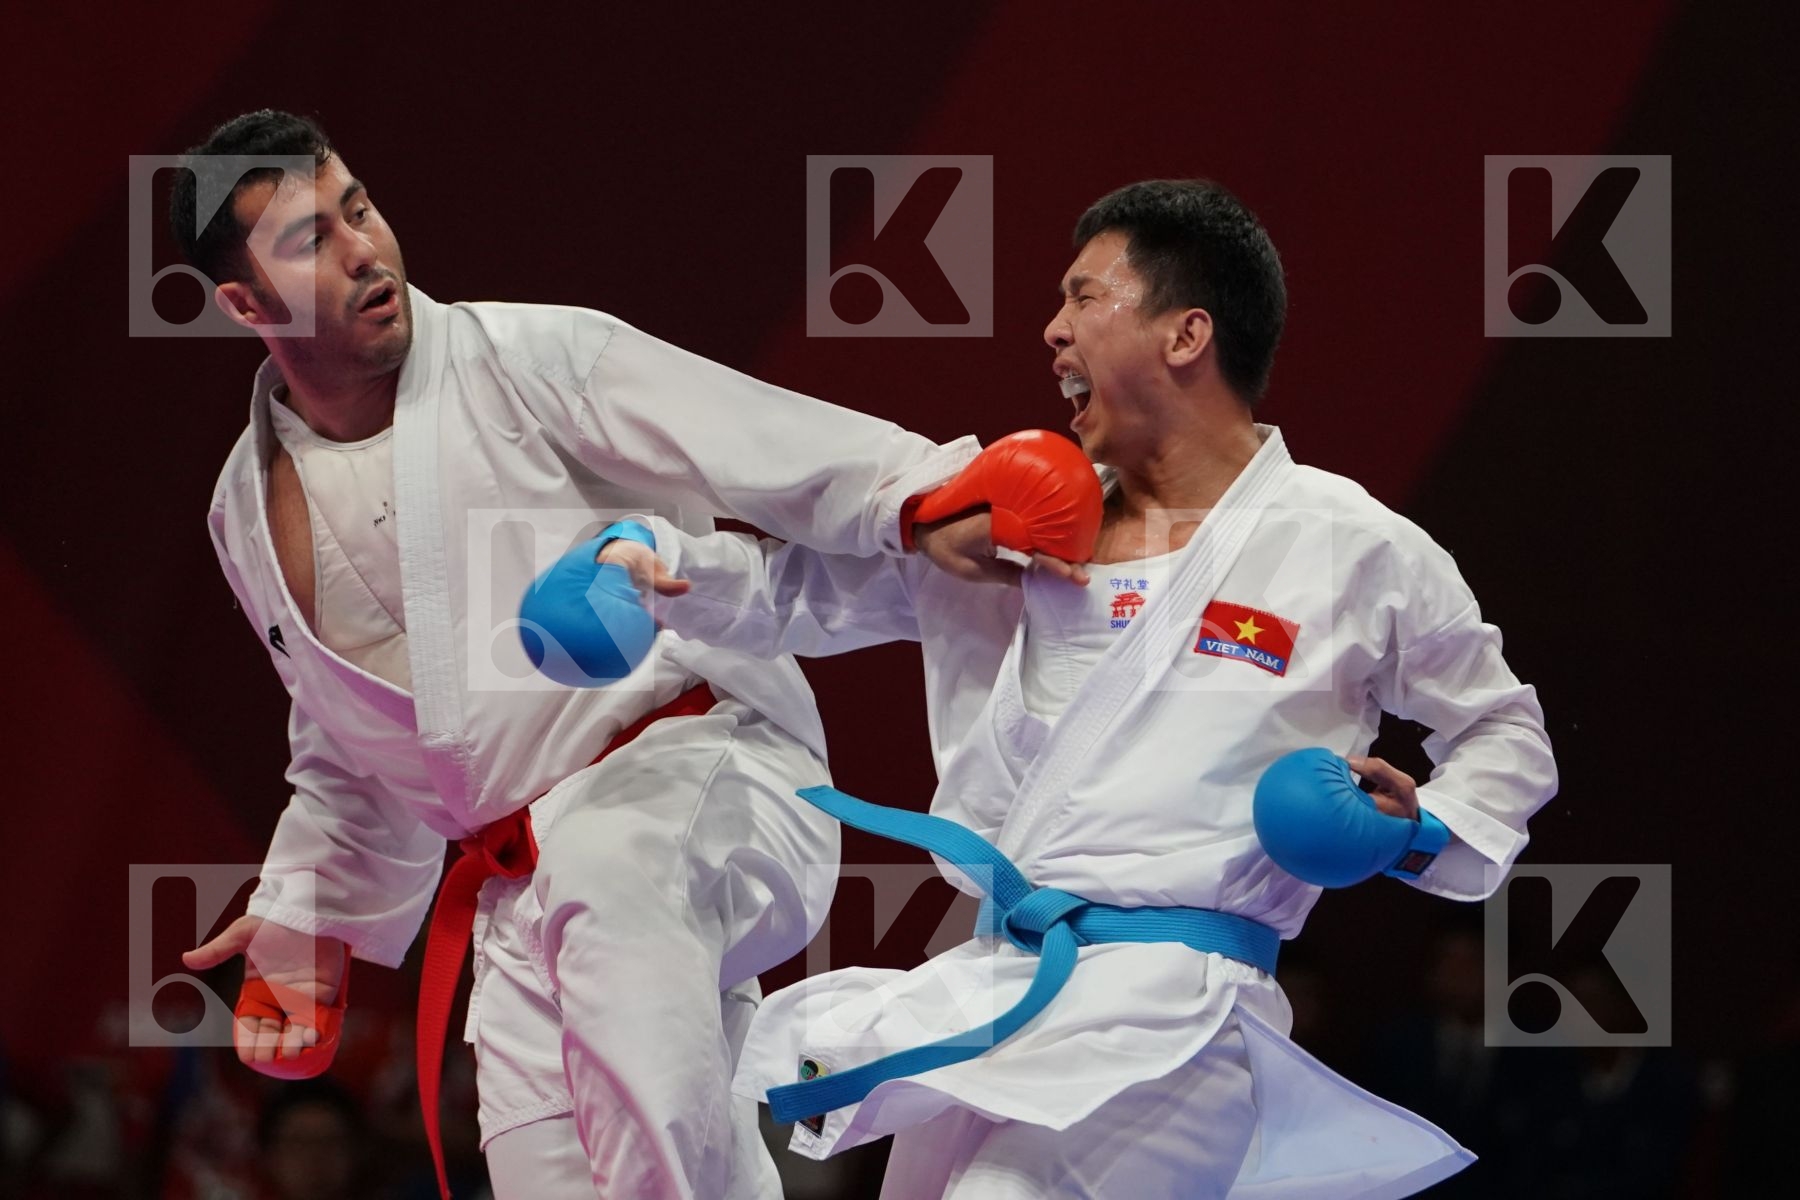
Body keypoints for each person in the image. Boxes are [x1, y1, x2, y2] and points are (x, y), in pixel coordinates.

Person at [595, 178, 1559, 1197]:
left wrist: (1415, 832)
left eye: (1084, 297)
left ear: (1186, 334)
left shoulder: (1349, 545)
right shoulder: (1017, 527)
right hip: (1001, 990)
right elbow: (806, 593)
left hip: (1178, 1019)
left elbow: (1506, 733)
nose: (1052, 331)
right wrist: (656, 566)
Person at [168, 108, 982, 1200]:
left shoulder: (531, 358)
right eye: (312, 239)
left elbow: (758, 438)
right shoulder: (244, 508)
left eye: (358, 208)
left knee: (608, 877)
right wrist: (310, 911)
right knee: (548, 1161)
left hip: (701, 768)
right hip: (521, 881)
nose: (364, 249)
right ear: (246, 304)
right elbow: (350, 731)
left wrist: (932, 496)